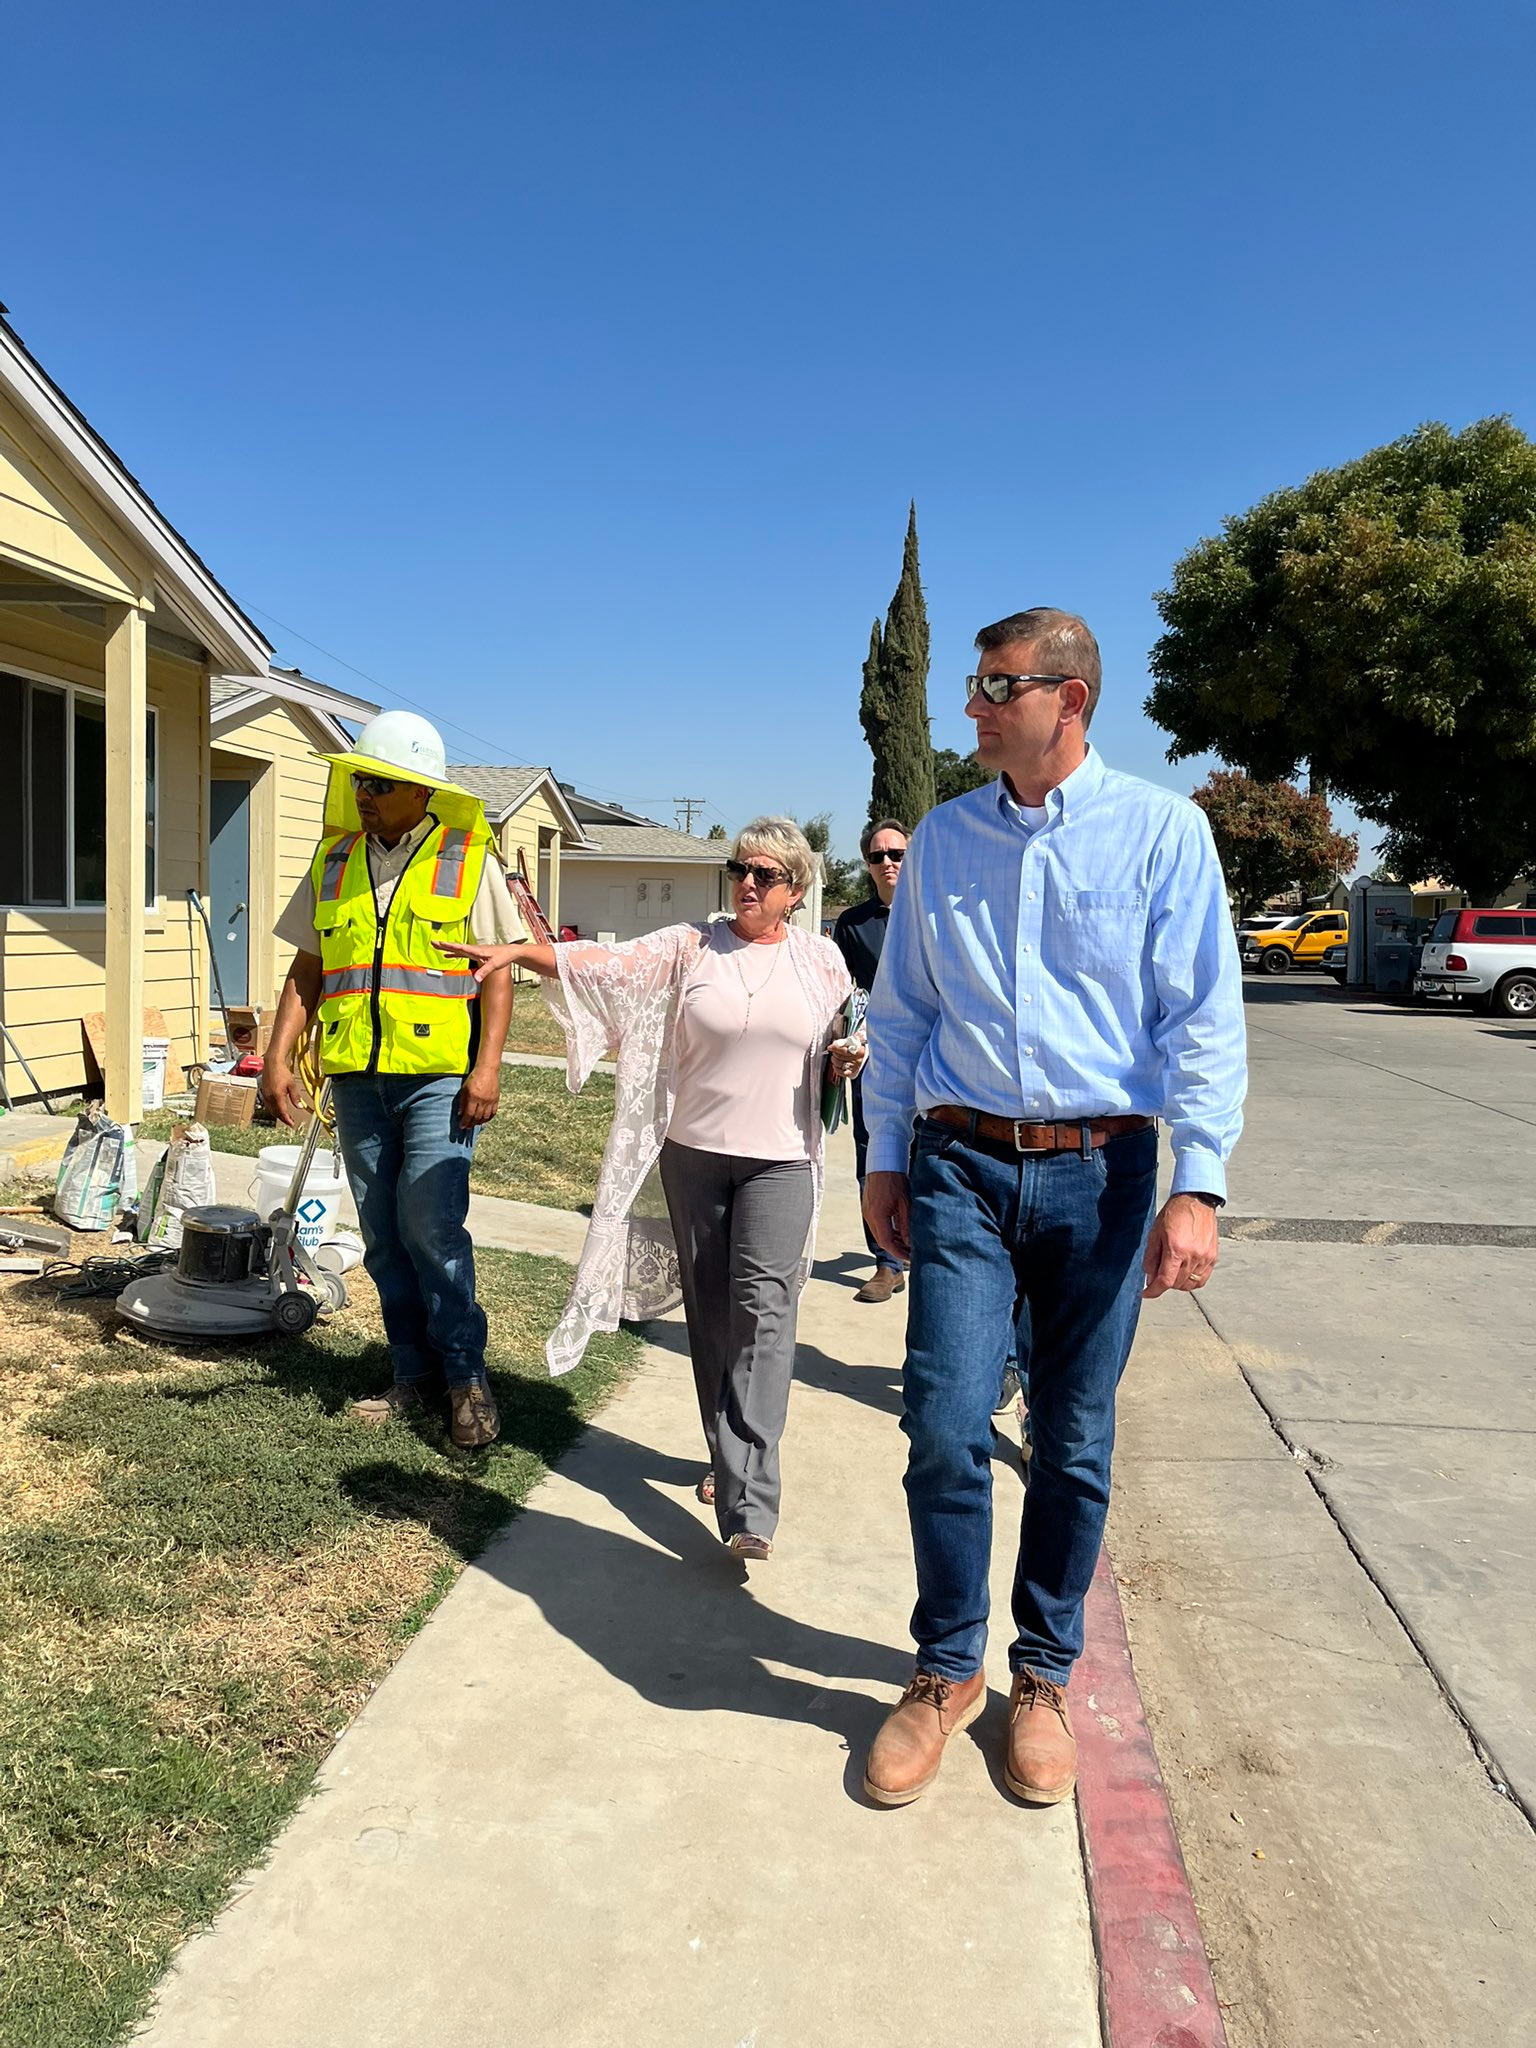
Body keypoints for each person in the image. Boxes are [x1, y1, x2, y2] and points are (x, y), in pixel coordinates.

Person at [860, 608, 1245, 1808]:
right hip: (961, 1161)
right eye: (974, 684)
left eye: (995, 685)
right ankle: (943, 1666)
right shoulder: (941, 838)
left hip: (1107, 1173)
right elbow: (905, 1013)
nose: (970, 706)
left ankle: (1041, 1673)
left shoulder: (1163, 833)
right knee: (942, 1419)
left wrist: (1200, 1178)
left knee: (1074, 1438)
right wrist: (880, 1157)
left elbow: (1202, 1016)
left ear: (1067, 699)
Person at [442, 818, 860, 1559]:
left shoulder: (820, 961)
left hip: (783, 1161)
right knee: (712, 1319)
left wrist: (848, 1057)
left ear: (795, 890)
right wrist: (519, 951)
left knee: (764, 1313)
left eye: (766, 875)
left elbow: (848, 1034)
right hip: (694, 1155)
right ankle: (727, 1452)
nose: (749, 885)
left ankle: (749, 1504)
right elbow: (603, 964)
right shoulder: (689, 946)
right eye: (741, 870)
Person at [261, 711, 522, 1450]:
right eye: (358, 780)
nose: (363, 792)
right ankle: (411, 1374)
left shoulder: (468, 859)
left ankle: (465, 1377)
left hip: (439, 1078)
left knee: (430, 1226)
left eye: (378, 782)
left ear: (418, 791)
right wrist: (279, 1056)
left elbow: (496, 976)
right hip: (357, 1080)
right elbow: (308, 969)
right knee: (381, 1236)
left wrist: (488, 1065)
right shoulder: (335, 861)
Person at [831, 818, 910, 1304]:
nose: (888, 863)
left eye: (897, 854)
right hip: (873, 1061)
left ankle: (926, 1248)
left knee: (930, 1156)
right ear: (867, 864)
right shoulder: (852, 924)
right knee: (873, 1154)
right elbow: (841, 993)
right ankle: (886, 1260)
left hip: (932, 1063)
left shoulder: (934, 913)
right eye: (878, 856)